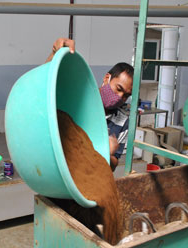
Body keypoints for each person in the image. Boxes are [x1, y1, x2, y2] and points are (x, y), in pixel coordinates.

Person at [48, 38, 134, 171]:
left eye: (126, 95)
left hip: (89, 173)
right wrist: (55, 53)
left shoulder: (123, 121)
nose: (120, 97)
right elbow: (47, 84)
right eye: (119, 89)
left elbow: (113, 165)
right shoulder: (80, 97)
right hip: (61, 167)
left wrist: (106, 153)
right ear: (107, 78)